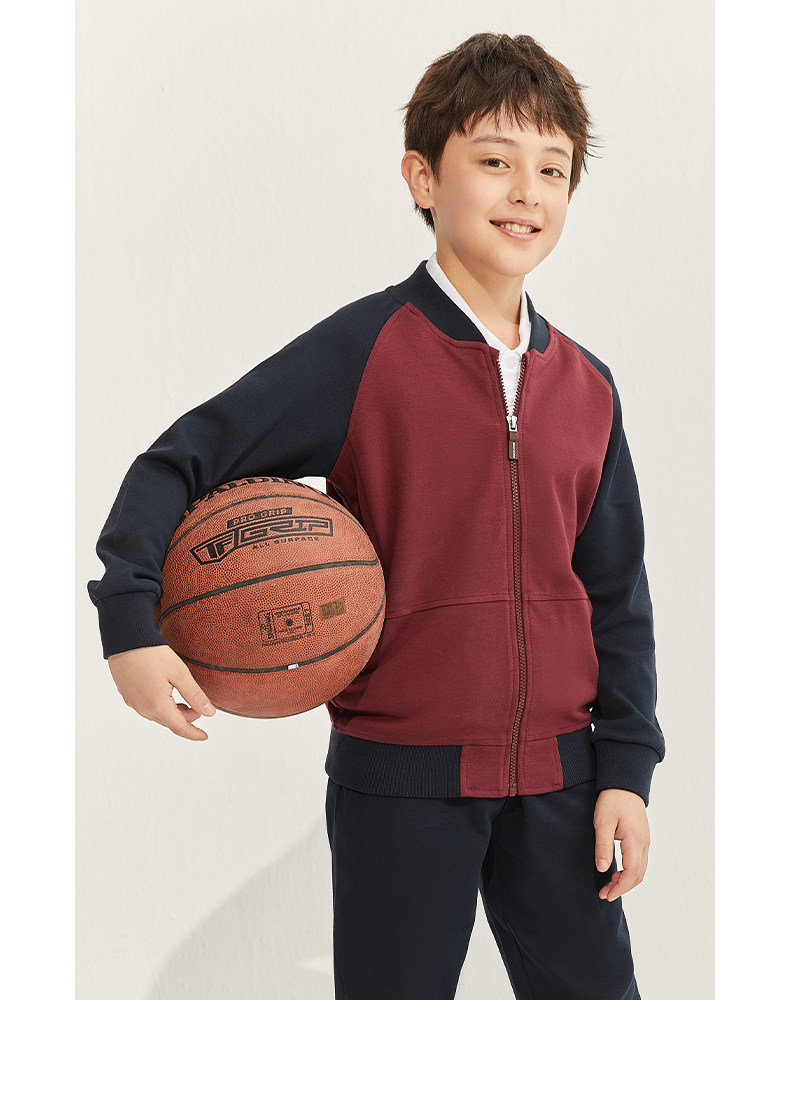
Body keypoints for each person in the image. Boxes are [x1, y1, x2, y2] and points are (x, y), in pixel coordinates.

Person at [88, 31, 665, 1000]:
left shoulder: (589, 387)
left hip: (564, 783)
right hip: (400, 780)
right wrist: (130, 623)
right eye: (494, 161)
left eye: (552, 168)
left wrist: (626, 769)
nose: (526, 191)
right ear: (422, 176)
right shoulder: (365, 352)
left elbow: (616, 596)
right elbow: (178, 461)